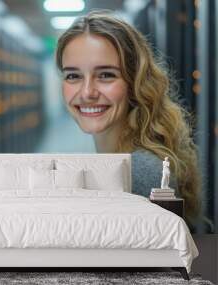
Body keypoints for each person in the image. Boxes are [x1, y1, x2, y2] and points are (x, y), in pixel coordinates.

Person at [55, 10, 201, 226]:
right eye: (73, 76)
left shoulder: (139, 172)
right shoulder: (127, 163)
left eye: (106, 75)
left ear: (135, 82)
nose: (87, 92)